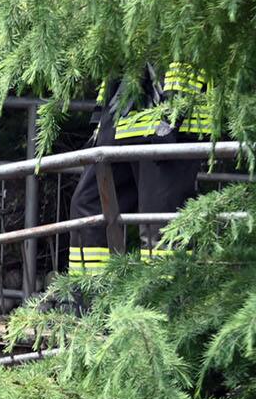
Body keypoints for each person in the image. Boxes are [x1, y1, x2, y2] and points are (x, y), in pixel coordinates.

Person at [67, 63, 217, 274]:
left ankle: (162, 301)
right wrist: (102, 121)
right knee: (87, 205)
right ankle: (90, 297)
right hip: (122, 124)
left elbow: (189, 49)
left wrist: (170, 117)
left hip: (173, 128)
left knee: (159, 225)